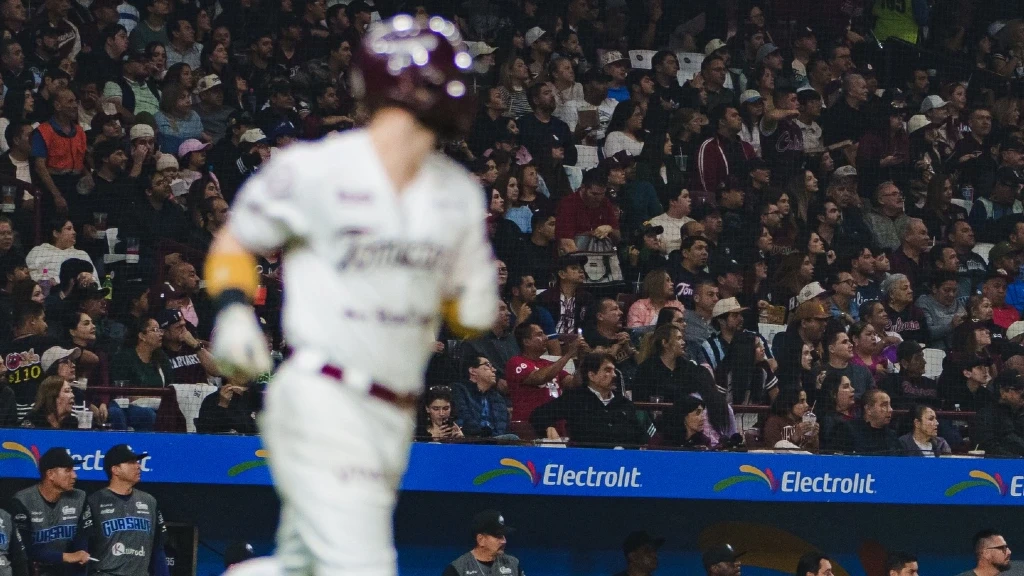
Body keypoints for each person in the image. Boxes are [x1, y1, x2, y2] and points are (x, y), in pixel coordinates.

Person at [206, 19, 498, 576]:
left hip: (395, 413)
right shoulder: (316, 167)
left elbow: (468, 312)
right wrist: (234, 311)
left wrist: (461, 302)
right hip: (326, 392)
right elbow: (237, 239)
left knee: (303, 566)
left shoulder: (457, 192)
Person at [80, 445, 168, 576]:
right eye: (131, 462)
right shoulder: (95, 501)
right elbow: (82, 547)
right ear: (115, 470)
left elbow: (158, 548)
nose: (138, 466)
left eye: (137, 462)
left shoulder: (149, 501)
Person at [531, 352, 651, 445]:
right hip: (585, 462)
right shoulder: (575, 399)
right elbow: (538, 415)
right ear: (592, 375)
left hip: (624, 463)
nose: (614, 375)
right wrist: (549, 427)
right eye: (608, 370)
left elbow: (641, 436)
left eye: (614, 370)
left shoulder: (624, 403)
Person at [11, 447, 89, 575]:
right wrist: (67, 557)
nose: (74, 476)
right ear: (51, 474)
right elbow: (23, 548)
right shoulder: (23, 501)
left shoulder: (79, 497)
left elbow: (82, 539)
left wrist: (79, 555)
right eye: (68, 470)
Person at [441, 510, 523, 576]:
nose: (504, 541)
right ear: (481, 540)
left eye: (504, 536)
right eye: (498, 536)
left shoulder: (513, 564)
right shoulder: (457, 570)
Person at [452, 357, 513, 439]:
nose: (494, 370)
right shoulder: (460, 390)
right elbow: (464, 418)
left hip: (495, 441)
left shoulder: (498, 398)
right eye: (488, 365)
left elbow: (503, 427)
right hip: (470, 439)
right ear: (473, 371)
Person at [973, 369, 1024, 456]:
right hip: (999, 463)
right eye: (1019, 390)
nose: (1023, 394)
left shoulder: (1020, 414)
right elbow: (988, 446)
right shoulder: (986, 416)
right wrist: (1016, 459)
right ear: (1002, 392)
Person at [833, 388, 900, 454]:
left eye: (890, 405)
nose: (890, 410)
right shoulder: (847, 430)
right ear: (868, 409)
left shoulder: (892, 435)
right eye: (884, 405)